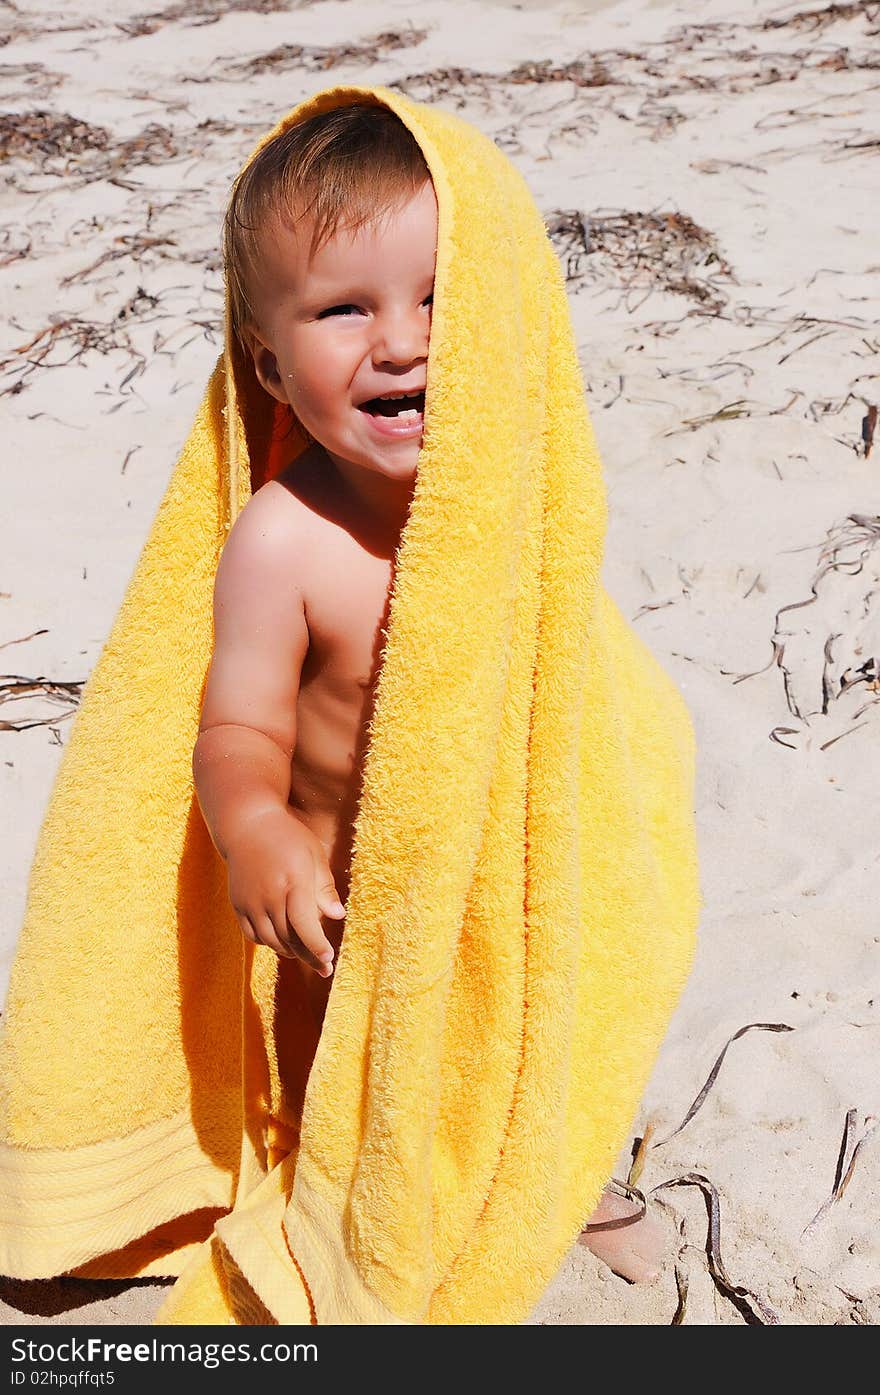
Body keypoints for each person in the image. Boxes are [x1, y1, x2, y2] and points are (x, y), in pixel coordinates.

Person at [193, 102, 665, 1289]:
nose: (401, 342)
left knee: (530, 1048)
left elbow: (564, 687)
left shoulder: (522, 508)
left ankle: (550, 1172)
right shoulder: (286, 541)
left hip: (493, 895)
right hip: (339, 923)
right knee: (342, 1107)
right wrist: (253, 829)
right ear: (266, 359)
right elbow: (236, 725)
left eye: (440, 297)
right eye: (344, 308)